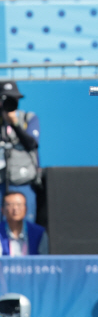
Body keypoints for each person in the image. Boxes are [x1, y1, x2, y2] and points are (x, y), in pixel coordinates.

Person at [0, 81, 40, 224]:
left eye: (13, 99)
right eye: (4, 99)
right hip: (1, 181)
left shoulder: (28, 118)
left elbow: (31, 144)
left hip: (22, 182)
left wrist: (14, 124)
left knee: (26, 225)